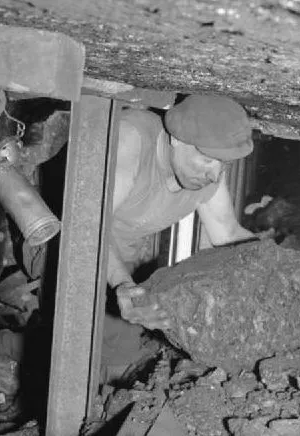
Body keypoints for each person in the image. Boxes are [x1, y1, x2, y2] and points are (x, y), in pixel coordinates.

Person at [101, 94, 257, 381]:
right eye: (208, 160)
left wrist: (284, 263)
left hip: (124, 259)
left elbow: (228, 234)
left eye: (223, 165)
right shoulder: (131, 141)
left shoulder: (208, 172)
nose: (214, 175)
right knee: (102, 355)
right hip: (65, 243)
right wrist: (122, 284)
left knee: (120, 354)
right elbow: (89, 226)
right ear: (176, 140)